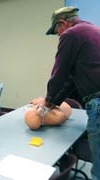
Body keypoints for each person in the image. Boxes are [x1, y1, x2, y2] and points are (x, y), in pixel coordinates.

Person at [43, 6, 100, 180]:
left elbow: (59, 73)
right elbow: (70, 78)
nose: (59, 35)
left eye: (57, 31)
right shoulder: (93, 30)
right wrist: (54, 101)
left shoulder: (71, 34)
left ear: (63, 23)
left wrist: (47, 102)